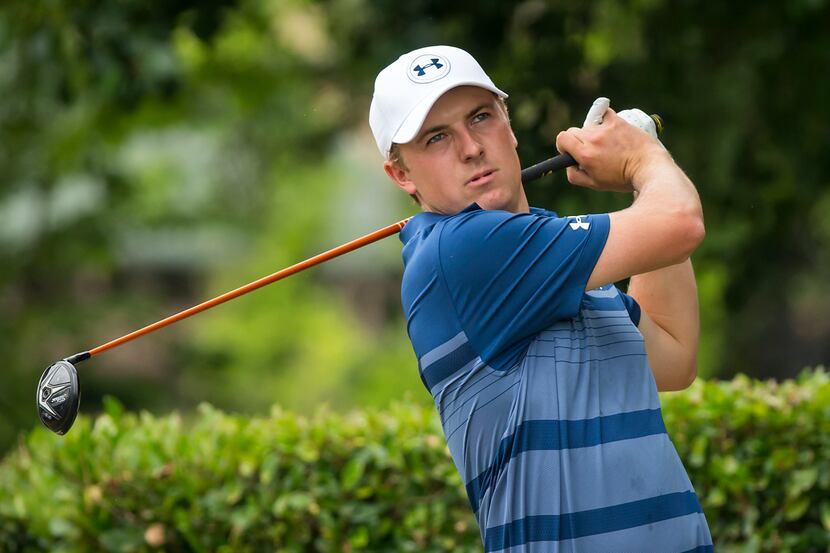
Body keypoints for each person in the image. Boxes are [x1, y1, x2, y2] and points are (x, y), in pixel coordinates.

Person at [369, 45, 713, 552]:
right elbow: (681, 223)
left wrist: (642, 184)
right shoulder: (460, 252)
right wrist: (644, 160)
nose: (471, 147)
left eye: (480, 117)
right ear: (401, 175)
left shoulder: (551, 252)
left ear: (508, 127)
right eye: (437, 138)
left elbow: (673, 354)